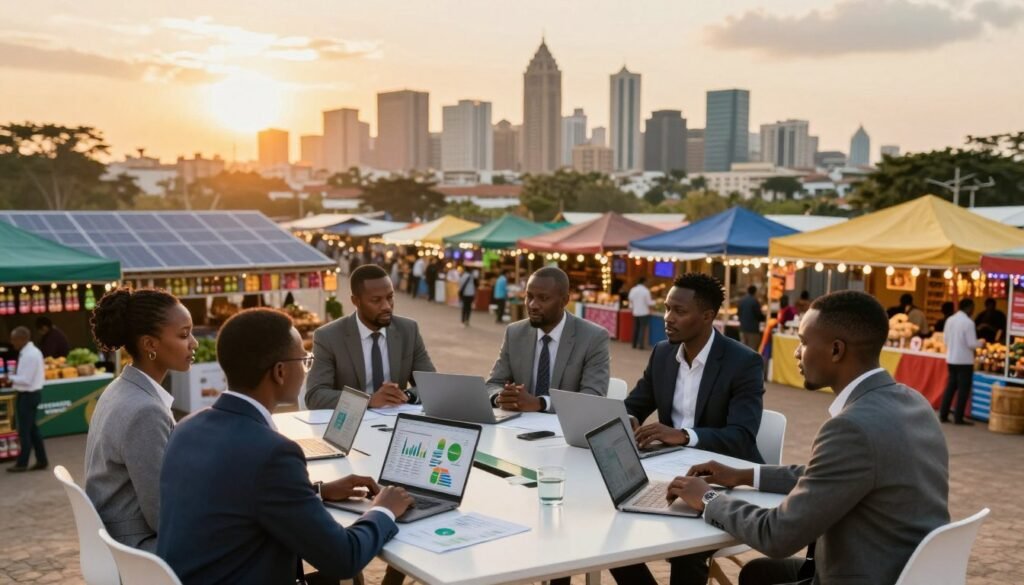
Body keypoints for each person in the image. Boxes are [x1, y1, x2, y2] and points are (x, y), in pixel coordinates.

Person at [666, 291, 950, 585]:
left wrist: (708, 498)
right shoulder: (914, 402)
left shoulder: (852, 427)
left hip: (860, 575)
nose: (796, 353)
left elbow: (777, 535)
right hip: (905, 570)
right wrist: (743, 475)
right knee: (757, 573)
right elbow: (828, 475)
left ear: (836, 350)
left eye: (803, 342)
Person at [158, 309, 413, 584]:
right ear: (280, 372)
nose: (305, 369)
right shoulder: (272, 453)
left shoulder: (186, 428)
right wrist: (384, 509)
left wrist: (318, 492)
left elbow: (238, 494)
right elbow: (344, 558)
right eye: (304, 361)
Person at [610, 273, 765, 585]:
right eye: (667, 308)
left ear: (708, 316)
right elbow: (634, 404)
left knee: (687, 549)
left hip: (724, 479)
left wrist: (684, 435)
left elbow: (742, 436)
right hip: (668, 471)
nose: (668, 318)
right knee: (611, 526)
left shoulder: (743, 362)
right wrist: (628, 418)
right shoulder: (663, 353)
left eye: (679, 311)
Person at [84, 288, 197, 551]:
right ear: (150, 344)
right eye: (184, 335)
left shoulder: (120, 388)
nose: (194, 343)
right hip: (139, 549)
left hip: (119, 540)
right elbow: (163, 516)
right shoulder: (145, 411)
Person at [307, 264, 435, 410]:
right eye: (376, 300)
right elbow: (315, 396)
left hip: (395, 418)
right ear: (356, 301)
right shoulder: (328, 337)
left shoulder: (408, 330)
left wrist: (406, 395)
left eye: (390, 297)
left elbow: (432, 384)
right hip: (351, 422)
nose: (386, 306)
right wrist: (368, 400)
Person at [486, 266, 610, 413]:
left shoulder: (593, 337)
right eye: (529, 296)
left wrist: (542, 403)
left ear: (564, 300)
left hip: (566, 424)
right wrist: (500, 397)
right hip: (519, 423)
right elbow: (493, 384)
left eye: (543, 298)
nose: (532, 305)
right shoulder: (515, 332)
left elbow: (593, 397)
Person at [3, 327, 47, 473]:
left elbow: (26, 379)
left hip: (28, 395)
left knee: (25, 431)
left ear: (22, 339)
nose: (12, 342)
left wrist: (9, 378)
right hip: (28, 394)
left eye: (13, 339)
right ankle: (42, 460)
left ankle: (22, 463)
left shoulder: (30, 354)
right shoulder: (28, 352)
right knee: (32, 429)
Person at [941, 298, 983, 425]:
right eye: (973, 308)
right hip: (965, 361)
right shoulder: (968, 323)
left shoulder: (950, 320)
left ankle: (943, 414)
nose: (973, 311)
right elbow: (971, 343)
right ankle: (958, 417)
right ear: (968, 307)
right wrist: (981, 343)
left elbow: (945, 339)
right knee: (963, 390)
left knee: (951, 387)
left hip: (951, 359)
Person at [628, 277, 656, 350]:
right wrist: (655, 302)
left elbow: (630, 300)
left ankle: (634, 344)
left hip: (635, 312)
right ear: (644, 282)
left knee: (636, 328)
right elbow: (649, 302)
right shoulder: (646, 291)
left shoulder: (633, 290)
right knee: (642, 329)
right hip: (644, 312)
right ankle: (641, 345)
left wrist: (632, 308)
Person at [738, 285, 765, 350]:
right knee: (752, 350)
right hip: (753, 330)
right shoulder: (755, 301)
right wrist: (764, 318)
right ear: (755, 292)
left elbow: (738, 313)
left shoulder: (741, 300)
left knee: (743, 350)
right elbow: (758, 315)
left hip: (743, 328)